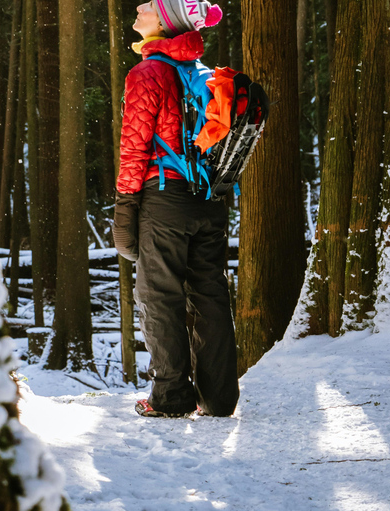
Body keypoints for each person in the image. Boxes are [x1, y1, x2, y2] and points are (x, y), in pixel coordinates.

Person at [112, 0, 238, 418]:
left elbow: (134, 146)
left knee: (159, 296)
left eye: (147, 7)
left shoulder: (147, 73)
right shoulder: (207, 75)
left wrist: (126, 203)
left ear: (164, 24)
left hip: (164, 197)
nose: (138, 8)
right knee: (211, 295)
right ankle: (219, 399)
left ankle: (170, 396)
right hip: (209, 199)